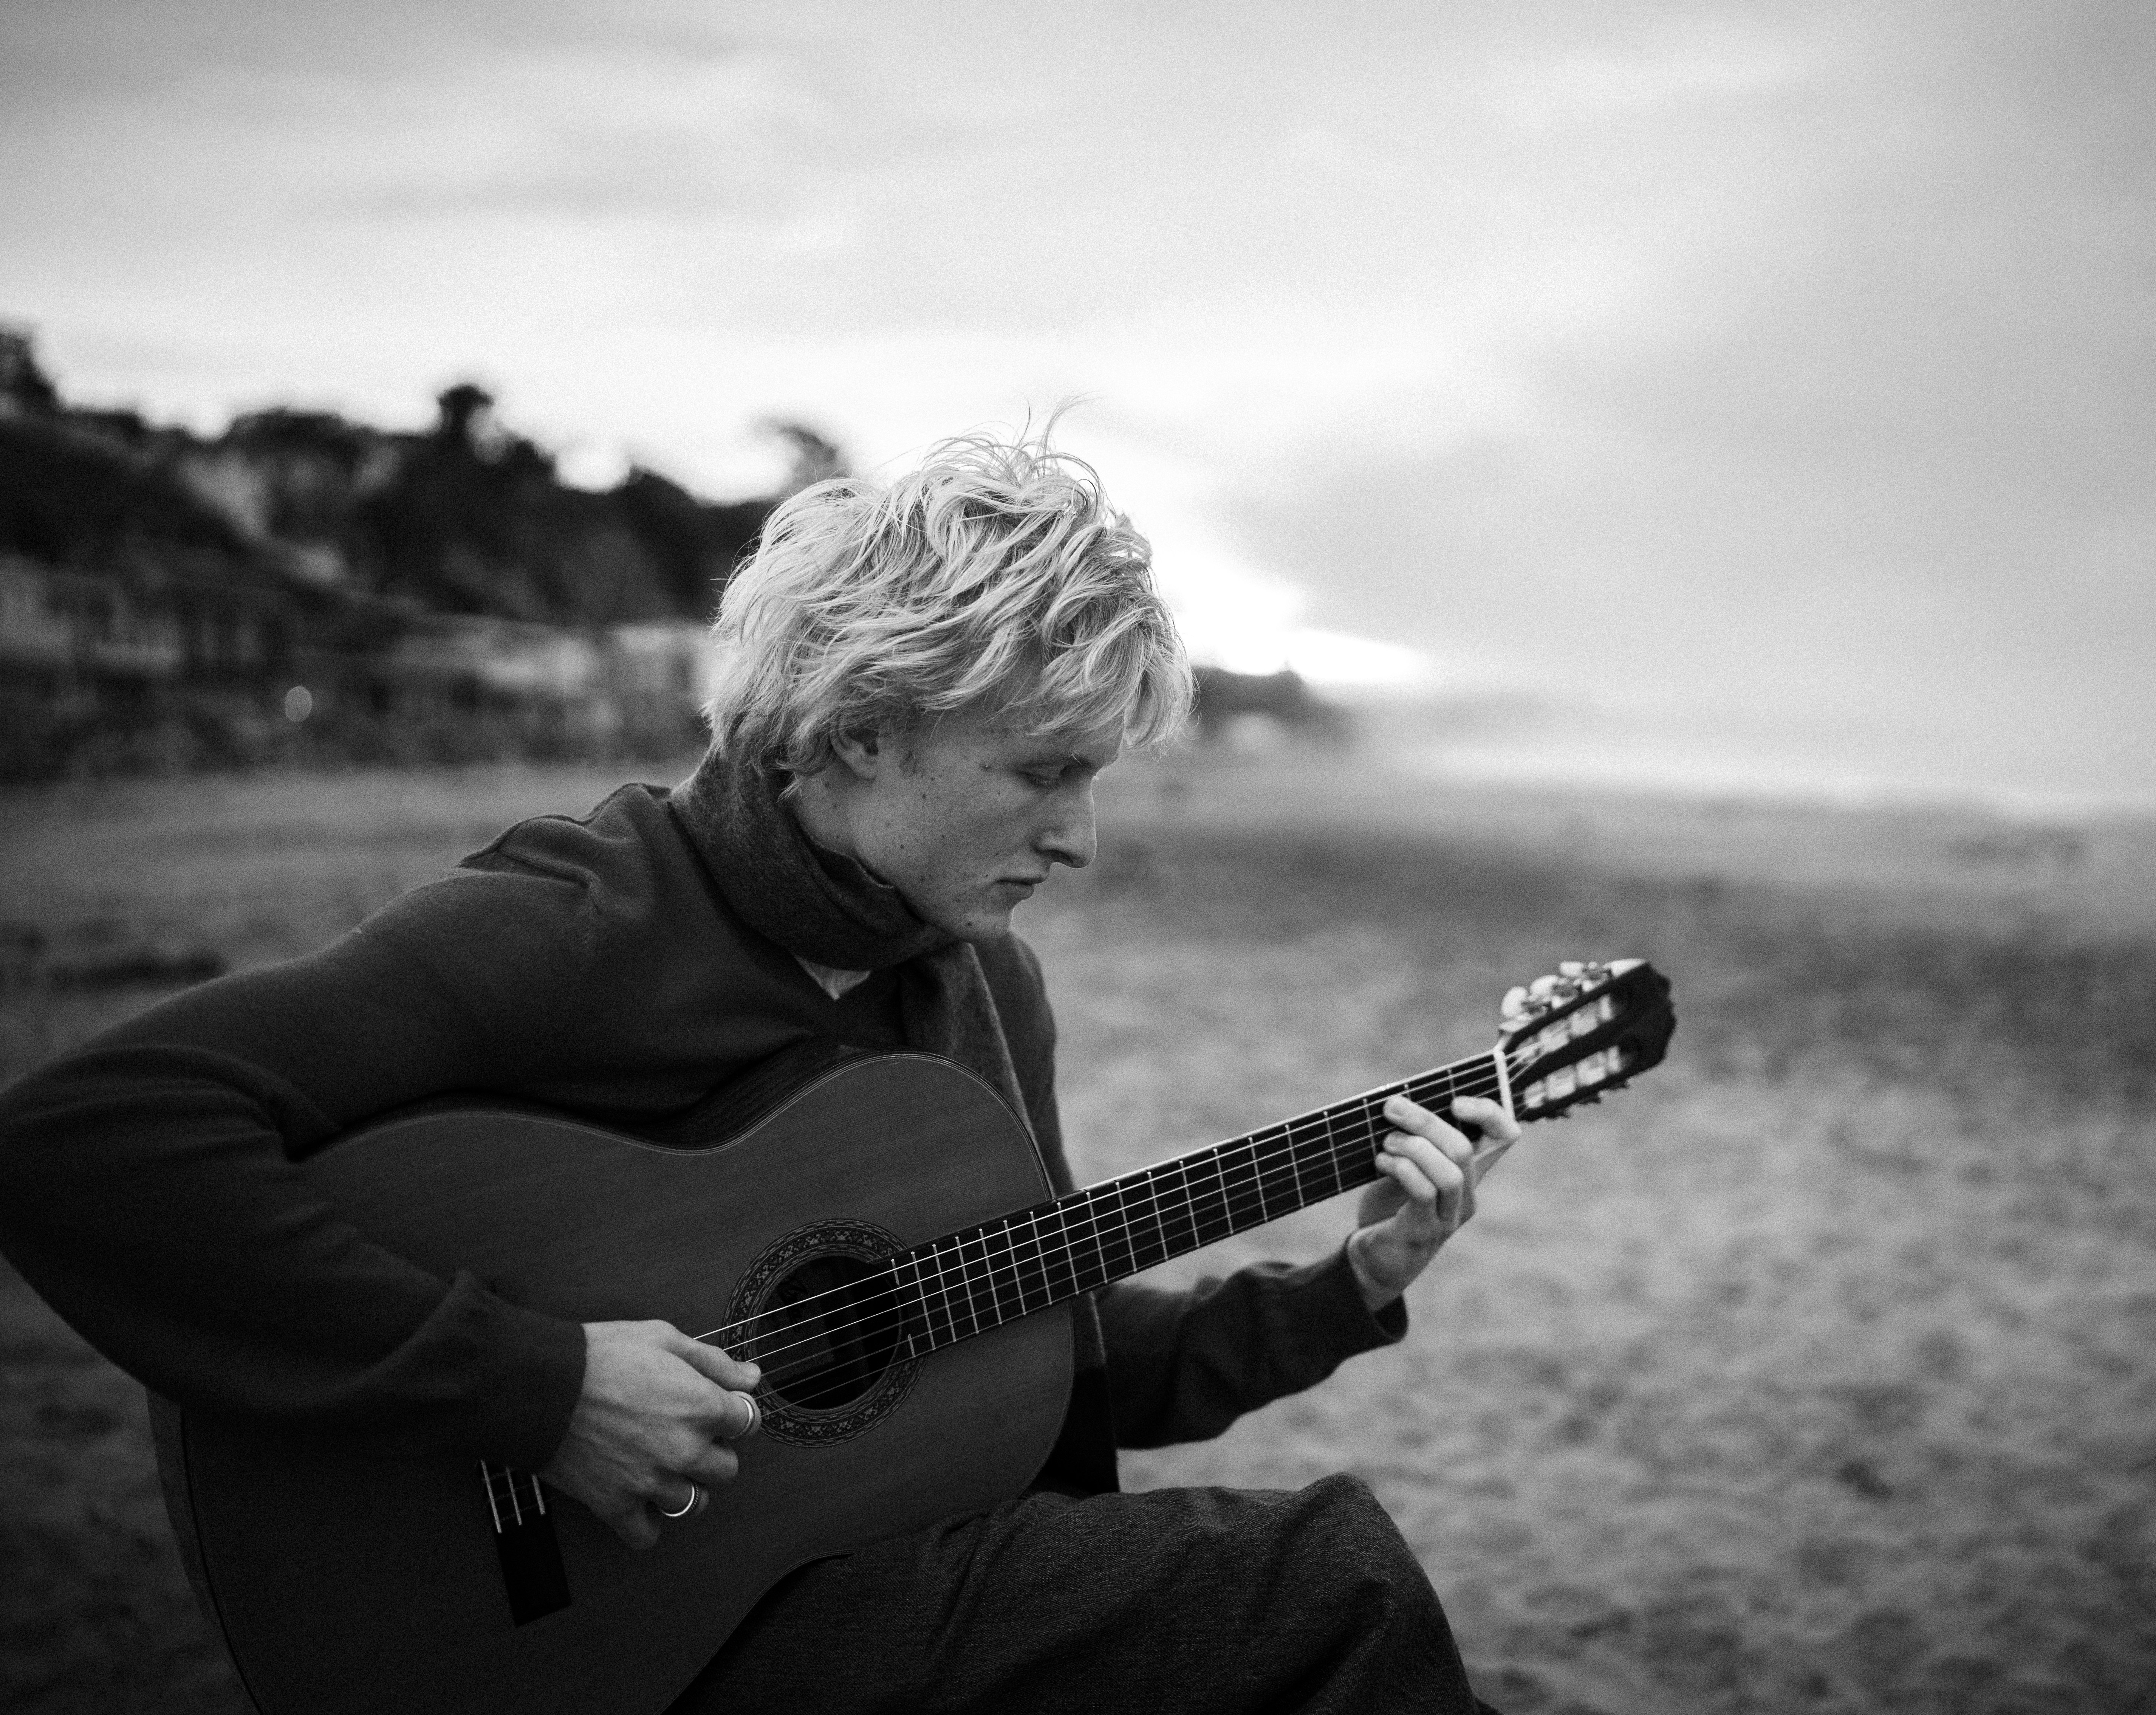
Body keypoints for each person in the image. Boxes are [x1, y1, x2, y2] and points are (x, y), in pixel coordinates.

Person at [0, 434, 1517, 1713]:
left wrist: (1350, 1282)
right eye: (1046, 771)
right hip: (618, 1645)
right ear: (859, 731)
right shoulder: (583, 924)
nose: (1084, 840)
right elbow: (85, 1143)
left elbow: (1044, 1342)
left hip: (858, 1575)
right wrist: (542, 1389)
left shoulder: (988, 989)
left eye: (1099, 779)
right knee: (1330, 1582)